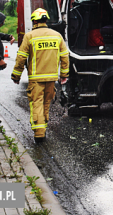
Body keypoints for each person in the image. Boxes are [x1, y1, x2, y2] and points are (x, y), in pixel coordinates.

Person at [11, 8, 69, 143]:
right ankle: (43, 128)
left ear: (34, 21)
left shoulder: (30, 36)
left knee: (37, 104)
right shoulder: (57, 35)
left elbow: (21, 57)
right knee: (46, 104)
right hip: (52, 78)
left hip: (36, 79)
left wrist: (16, 75)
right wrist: (63, 74)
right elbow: (65, 56)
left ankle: (39, 134)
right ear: (46, 20)